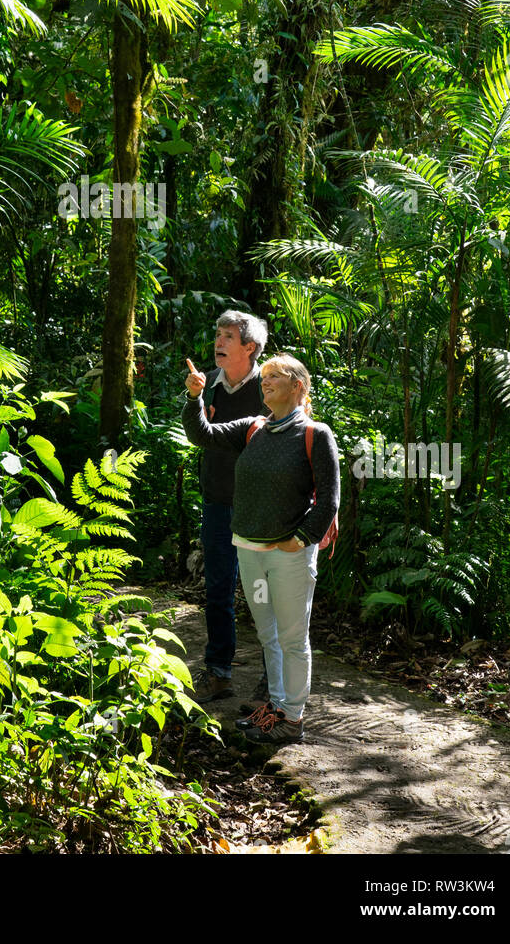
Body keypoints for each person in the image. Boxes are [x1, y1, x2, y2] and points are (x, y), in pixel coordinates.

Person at [182, 352, 340, 743]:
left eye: (274, 377)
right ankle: (276, 706)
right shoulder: (254, 428)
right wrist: (195, 398)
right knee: (268, 633)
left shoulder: (315, 435)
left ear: (297, 386)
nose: (264, 382)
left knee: (291, 635)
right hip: (250, 552)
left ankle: (292, 718)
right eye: (263, 377)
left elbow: (330, 500)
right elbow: (202, 434)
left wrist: (300, 539)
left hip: (288, 556)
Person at [186, 310, 269, 704]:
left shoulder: (271, 387)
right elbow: (198, 436)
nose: (218, 342)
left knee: (263, 594)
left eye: (227, 336)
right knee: (218, 590)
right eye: (217, 334)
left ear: (249, 347)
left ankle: (274, 680)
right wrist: (196, 397)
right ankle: (218, 673)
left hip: (259, 508)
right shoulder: (210, 385)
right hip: (218, 501)